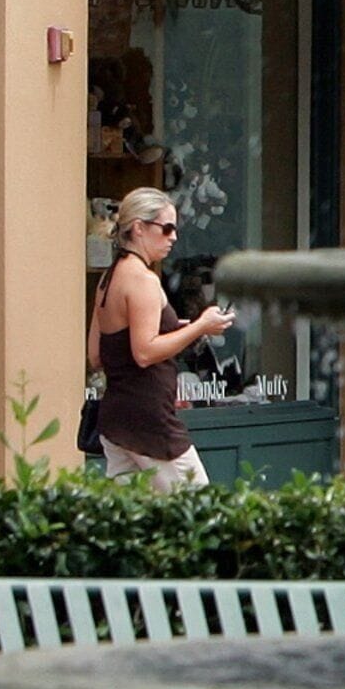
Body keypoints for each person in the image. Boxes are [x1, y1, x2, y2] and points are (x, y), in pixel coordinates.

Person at [92, 188, 231, 491]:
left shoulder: (108, 278)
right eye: (166, 228)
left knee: (132, 521)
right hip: (149, 419)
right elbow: (144, 352)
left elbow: (97, 354)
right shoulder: (142, 278)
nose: (173, 237)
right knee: (199, 503)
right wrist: (200, 326)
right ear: (139, 228)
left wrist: (180, 327)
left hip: (117, 417)